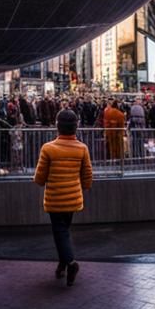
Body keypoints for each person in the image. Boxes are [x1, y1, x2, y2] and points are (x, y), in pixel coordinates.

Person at [34, 109, 92, 287]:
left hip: (55, 199)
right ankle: (62, 265)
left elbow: (39, 178)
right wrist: (78, 187)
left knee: (60, 231)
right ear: (76, 126)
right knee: (64, 231)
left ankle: (71, 263)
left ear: (57, 126)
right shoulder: (82, 148)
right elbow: (88, 176)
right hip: (73, 198)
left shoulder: (48, 148)